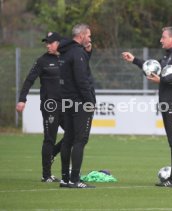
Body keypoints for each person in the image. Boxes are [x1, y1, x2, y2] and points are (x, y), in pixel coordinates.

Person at [122, 26, 172, 188]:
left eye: (163, 37)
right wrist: (134, 60)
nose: (161, 40)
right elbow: (152, 67)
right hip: (167, 102)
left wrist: (162, 81)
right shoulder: (169, 56)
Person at [16, 32, 64, 182]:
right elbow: (29, 80)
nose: (47, 45)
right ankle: (46, 175)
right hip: (49, 105)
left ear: (58, 43)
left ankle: (52, 154)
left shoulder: (67, 58)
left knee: (75, 133)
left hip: (67, 104)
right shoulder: (42, 61)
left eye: (50, 42)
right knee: (49, 138)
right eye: (46, 43)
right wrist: (22, 99)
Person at [58, 23, 96, 188]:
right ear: (80, 36)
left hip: (67, 101)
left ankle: (65, 178)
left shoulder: (65, 52)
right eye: (88, 35)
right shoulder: (77, 52)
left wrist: (88, 52)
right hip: (80, 103)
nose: (89, 38)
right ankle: (75, 179)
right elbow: (82, 79)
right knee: (80, 140)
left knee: (68, 139)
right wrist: (90, 101)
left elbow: (78, 70)